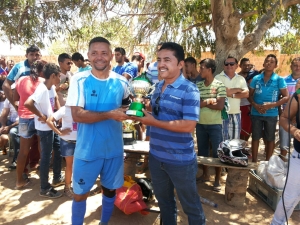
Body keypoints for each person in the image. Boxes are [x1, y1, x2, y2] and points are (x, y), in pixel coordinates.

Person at [134, 42, 205, 225]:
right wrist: (142, 109)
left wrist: (154, 122)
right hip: (157, 157)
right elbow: (158, 111)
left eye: (167, 60)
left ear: (180, 64)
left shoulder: (190, 90)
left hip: (180, 160)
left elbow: (189, 125)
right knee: (165, 204)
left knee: (191, 207)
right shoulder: (158, 86)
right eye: (159, 60)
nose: (161, 64)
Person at [66, 37, 130, 225]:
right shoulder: (79, 80)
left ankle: (104, 223)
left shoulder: (122, 82)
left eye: (104, 53)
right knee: (80, 194)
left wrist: (137, 111)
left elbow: (127, 108)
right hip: (87, 151)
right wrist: (110, 114)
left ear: (111, 55)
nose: (99, 57)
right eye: (94, 53)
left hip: (113, 150)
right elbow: (77, 115)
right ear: (88, 56)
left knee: (110, 190)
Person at [25, 63, 64, 198]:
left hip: (51, 125)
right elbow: (28, 103)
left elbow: (55, 99)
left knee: (58, 149)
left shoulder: (50, 87)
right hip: (44, 128)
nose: (60, 79)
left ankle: (57, 177)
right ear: (53, 76)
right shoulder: (41, 89)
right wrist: (41, 115)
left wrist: (58, 114)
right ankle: (44, 188)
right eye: (59, 76)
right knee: (46, 157)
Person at [248, 54, 289, 162]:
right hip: (256, 113)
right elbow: (249, 95)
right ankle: (254, 161)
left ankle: (268, 162)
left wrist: (272, 105)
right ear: (263, 63)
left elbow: (286, 97)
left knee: (270, 138)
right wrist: (255, 105)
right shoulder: (256, 78)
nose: (269, 63)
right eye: (267, 61)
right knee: (255, 137)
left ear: (275, 65)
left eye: (272, 62)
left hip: (271, 114)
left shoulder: (279, 79)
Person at [270, 79, 300, 225]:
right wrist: (294, 131)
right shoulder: (298, 97)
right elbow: (284, 118)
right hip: (299, 158)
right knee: (289, 198)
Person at [14, 60, 46, 189]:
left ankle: (19, 180)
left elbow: (15, 99)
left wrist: (21, 110)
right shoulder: (43, 82)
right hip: (39, 117)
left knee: (23, 152)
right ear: (43, 71)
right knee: (42, 150)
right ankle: (43, 180)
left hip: (24, 119)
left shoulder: (21, 80)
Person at [196, 58, 226, 192]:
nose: (199, 70)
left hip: (215, 124)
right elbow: (197, 103)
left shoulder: (220, 85)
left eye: (202, 67)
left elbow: (220, 106)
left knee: (217, 152)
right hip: (200, 123)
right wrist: (209, 101)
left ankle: (217, 180)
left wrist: (204, 102)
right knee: (202, 151)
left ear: (209, 70)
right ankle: (205, 174)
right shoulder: (198, 85)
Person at [215, 56, 249, 140]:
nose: (229, 65)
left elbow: (246, 94)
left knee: (235, 141)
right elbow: (220, 92)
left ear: (237, 66)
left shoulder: (241, 79)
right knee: (222, 141)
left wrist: (232, 94)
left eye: (231, 64)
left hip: (236, 114)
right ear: (224, 66)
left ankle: (231, 154)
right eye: (226, 64)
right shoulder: (218, 77)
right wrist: (237, 89)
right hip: (222, 114)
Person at [46, 105, 74, 198]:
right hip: (68, 142)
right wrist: (60, 132)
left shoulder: (82, 108)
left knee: (78, 165)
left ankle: (75, 186)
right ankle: (67, 188)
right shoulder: (64, 109)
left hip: (81, 142)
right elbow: (49, 120)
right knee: (69, 165)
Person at [279, 57, 300, 153]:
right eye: (295, 65)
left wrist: (296, 115)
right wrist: (282, 114)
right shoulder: (283, 80)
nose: (297, 68)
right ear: (291, 66)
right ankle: (284, 165)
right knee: (284, 145)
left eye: (299, 66)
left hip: (298, 116)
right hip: (287, 116)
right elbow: (279, 98)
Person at [238, 58, 259, 142]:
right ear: (240, 66)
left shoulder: (254, 76)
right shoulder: (237, 77)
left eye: (248, 65)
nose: (247, 67)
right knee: (241, 127)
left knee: (248, 128)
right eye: (244, 65)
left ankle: (244, 146)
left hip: (251, 105)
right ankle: (240, 146)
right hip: (240, 105)